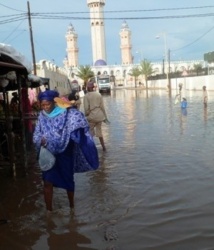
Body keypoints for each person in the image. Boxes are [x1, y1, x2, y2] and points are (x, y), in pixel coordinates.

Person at [33, 90, 99, 213]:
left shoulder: (67, 113)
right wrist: (39, 140)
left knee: (68, 180)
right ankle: (49, 212)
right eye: (43, 105)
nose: (45, 107)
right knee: (47, 182)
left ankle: (72, 208)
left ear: (54, 102)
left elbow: (79, 120)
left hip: (65, 152)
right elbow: (37, 133)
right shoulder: (42, 116)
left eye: (48, 104)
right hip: (48, 153)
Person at [83, 79, 108, 151]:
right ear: (93, 87)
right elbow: (102, 107)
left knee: (90, 133)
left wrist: (86, 115)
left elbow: (86, 108)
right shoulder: (98, 94)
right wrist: (105, 117)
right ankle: (104, 148)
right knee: (99, 133)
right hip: (100, 116)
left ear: (87, 88)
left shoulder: (86, 96)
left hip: (91, 117)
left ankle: (91, 149)